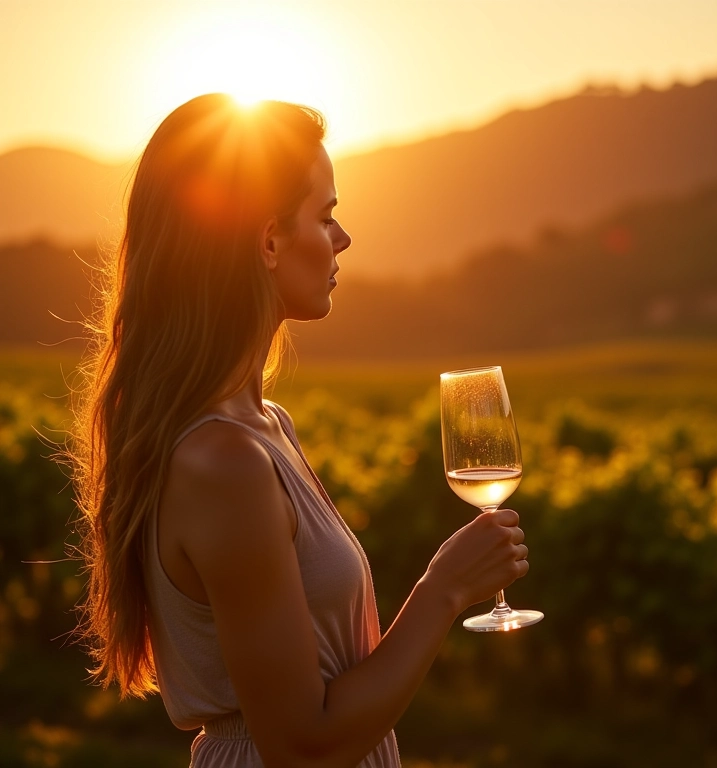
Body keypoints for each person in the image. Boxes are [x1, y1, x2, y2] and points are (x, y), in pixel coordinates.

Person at [70, 93, 530, 768]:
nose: (342, 239)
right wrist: (445, 590)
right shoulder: (223, 461)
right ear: (269, 240)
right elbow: (302, 745)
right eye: (327, 215)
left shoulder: (264, 426)